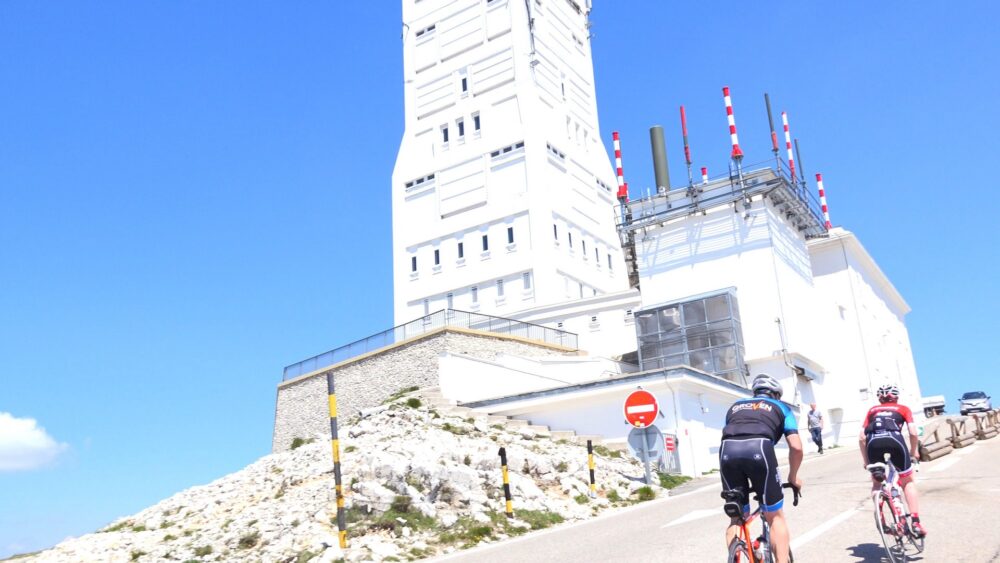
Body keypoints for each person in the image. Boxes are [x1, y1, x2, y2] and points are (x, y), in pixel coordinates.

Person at [720, 374, 804, 563]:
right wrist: (793, 478)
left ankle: (740, 554)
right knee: (775, 517)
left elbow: (730, 432)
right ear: (776, 394)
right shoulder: (782, 407)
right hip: (759, 450)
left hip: (727, 451)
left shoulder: (735, 406)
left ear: (754, 392)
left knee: (737, 517)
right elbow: (796, 447)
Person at [859, 384, 926, 537]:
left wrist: (866, 460)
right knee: (907, 481)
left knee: (877, 482)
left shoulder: (872, 410)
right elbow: (913, 433)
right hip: (894, 439)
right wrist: (914, 451)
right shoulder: (903, 408)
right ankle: (915, 522)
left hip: (873, 442)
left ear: (880, 399)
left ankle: (881, 517)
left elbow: (862, 437)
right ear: (896, 397)